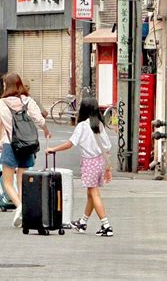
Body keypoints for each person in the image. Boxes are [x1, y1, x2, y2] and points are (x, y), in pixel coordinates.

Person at [45, 97, 114, 237]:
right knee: (91, 194)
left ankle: (106, 225)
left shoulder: (83, 126)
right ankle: (82, 222)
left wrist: (53, 149)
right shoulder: (99, 125)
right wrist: (108, 168)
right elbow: (107, 147)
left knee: (94, 194)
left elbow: (70, 143)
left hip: (90, 162)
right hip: (100, 161)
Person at [0, 73, 51, 228]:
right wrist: (45, 130)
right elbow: (40, 119)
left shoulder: (1, 104)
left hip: (10, 145)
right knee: (22, 181)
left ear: (6, 86)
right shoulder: (28, 100)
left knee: (7, 182)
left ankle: (20, 207)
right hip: (27, 144)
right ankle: (24, 212)